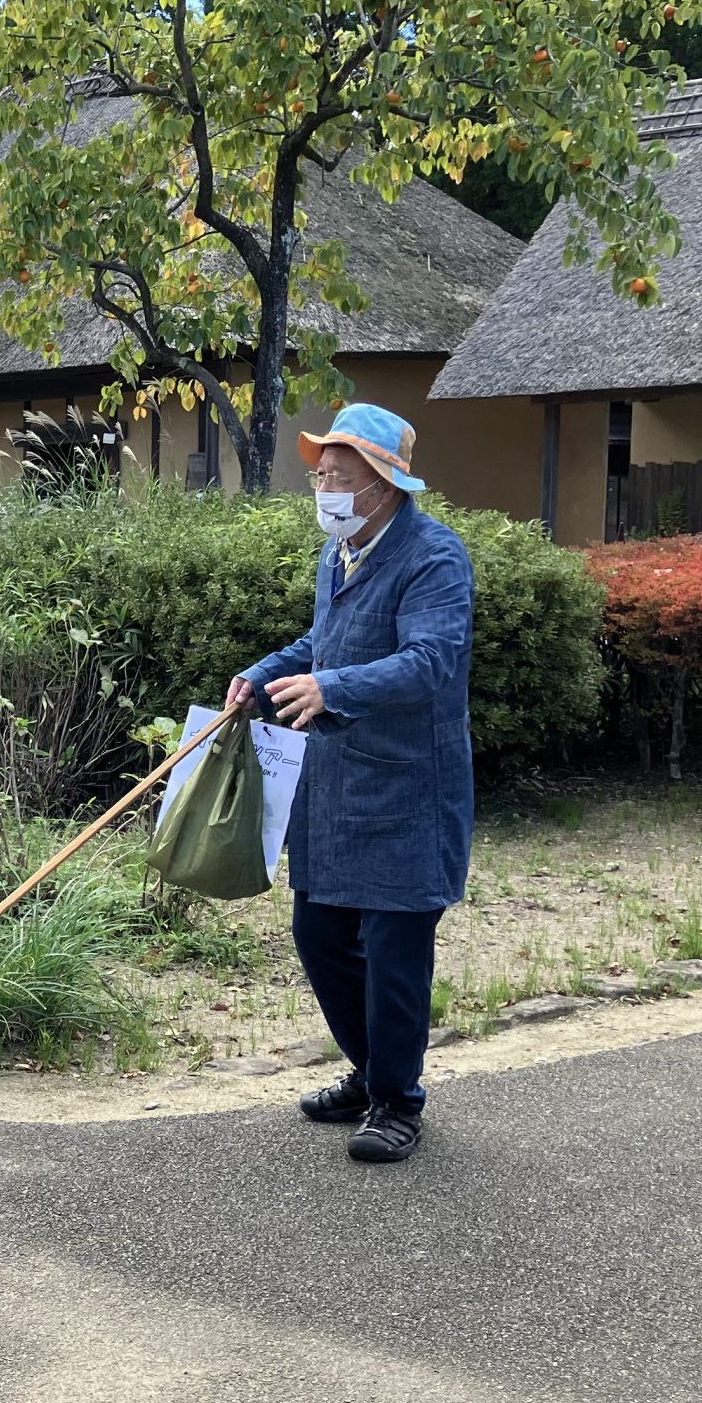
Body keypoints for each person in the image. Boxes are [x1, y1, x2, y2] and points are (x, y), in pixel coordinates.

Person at [227, 402, 475, 1167]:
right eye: (321, 475)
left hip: (408, 791)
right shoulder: (338, 554)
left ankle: (399, 1100)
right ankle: (372, 1074)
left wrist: (332, 688)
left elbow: (431, 660)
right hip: (335, 787)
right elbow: (321, 641)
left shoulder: (434, 557)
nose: (325, 488)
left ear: (385, 484)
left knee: (397, 952)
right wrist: (263, 675)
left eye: (340, 476)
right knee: (319, 933)